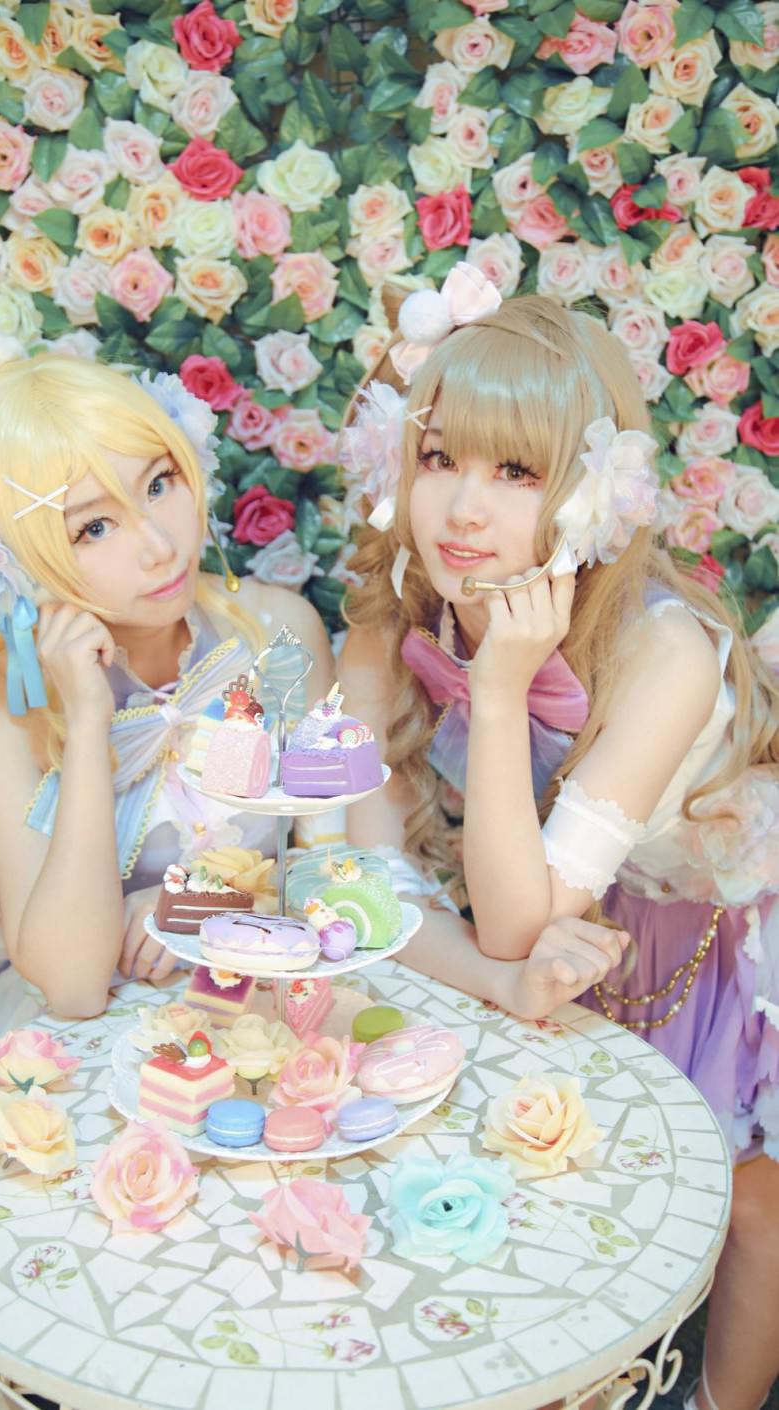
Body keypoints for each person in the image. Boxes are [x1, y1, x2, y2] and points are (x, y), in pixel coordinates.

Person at [0, 333, 623, 1294]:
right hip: (96, 1039)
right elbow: (75, 986)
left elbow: (337, 882)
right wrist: (86, 725)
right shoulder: (2, 713)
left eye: (159, 483)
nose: (158, 543)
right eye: (92, 527)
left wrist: (202, 907)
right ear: (11, 563)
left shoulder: (276, 634)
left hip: (266, 1012)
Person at [338, 266, 779, 1410]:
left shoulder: (661, 651)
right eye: (439, 458)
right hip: (558, 923)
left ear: (592, 492)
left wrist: (497, 693)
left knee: (748, 1202)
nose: (462, 510)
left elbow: (516, 921)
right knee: (536, 1180)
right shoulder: (397, 623)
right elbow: (367, 885)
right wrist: (488, 968)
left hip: (716, 927)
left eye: (517, 473)